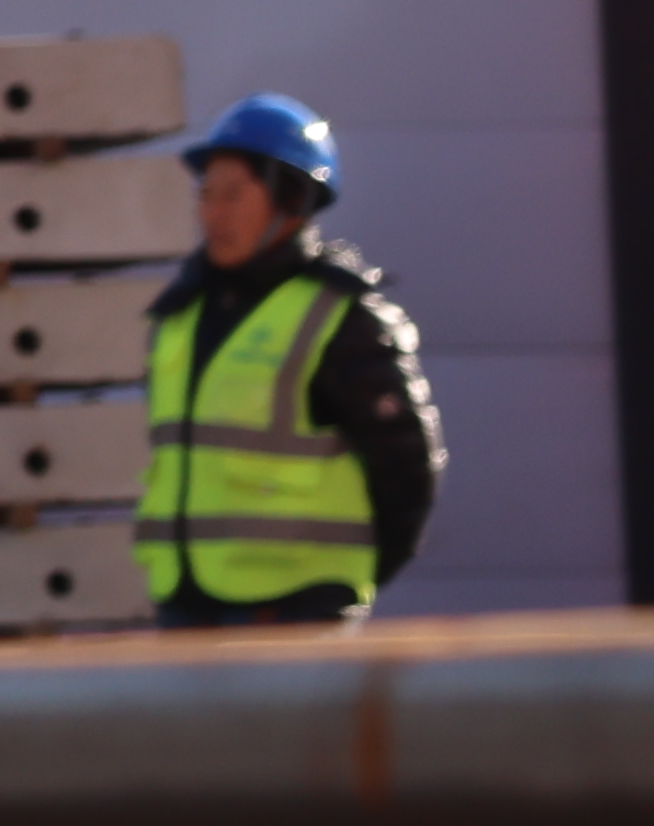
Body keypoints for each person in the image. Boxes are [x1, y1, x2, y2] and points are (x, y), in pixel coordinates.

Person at [139, 88, 443, 630]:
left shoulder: (342, 317)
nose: (213, 212)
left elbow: (406, 472)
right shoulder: (182, 315)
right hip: (186, 608)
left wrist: (343, 582)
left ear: (293, 200)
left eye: (233, 195)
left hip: (297, 610)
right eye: (206, 194)